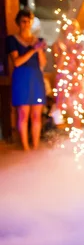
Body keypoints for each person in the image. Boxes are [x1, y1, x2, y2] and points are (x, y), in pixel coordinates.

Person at [6, 9, 47, 150]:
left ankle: (35, 147)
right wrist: (33, 50)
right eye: (24, 21)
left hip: (36, 77)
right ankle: (26, 148)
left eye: (29, 21)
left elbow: (43, 63)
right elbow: (16, 62)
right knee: (23, 114)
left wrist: (39, 50)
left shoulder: (39, 41)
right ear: (18, 23)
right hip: (21, 78)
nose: (27, 24)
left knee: (36, 114)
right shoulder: (12, 40)